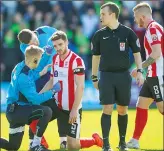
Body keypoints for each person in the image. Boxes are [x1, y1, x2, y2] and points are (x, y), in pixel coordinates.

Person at [91, 2, 144, 151]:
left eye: (103, 14)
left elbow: (137, 53)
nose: (100, 17)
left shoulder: (128, 33)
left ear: (112, 14)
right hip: (106, 76)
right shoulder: (99, 35)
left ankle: (122, 144)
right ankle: (106, 145)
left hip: (123, 76)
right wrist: (94, 77)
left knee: (122, 110)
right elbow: (95, 57)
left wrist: (140, 71)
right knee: (107, 108)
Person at [41, 30, 103, 151]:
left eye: (60, 44)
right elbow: (51, 81)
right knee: (34, 114)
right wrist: (37, 96)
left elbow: (80, 86)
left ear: (66, 42)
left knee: (72, 146)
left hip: (72, 109)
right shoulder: (54, 59)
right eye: (55, 46)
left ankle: (95, 140)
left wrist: (74, 110)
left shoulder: (77, 60)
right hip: (57, 106)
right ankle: (38, 144)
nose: (57, 48)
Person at [0, 45, 61, 151]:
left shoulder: (21, 66)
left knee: (13, 147)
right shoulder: (24, 78)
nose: (39, 63)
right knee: (46, 111)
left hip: (13, 111)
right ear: (34, 60)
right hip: (18, 111)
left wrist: (46, 56)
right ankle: (35, 145)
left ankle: (35, 145)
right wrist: (53, 91)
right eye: (39, 60)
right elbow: (35, 100)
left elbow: (33, 73)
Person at [18, 27, 67, 149]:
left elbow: (61, 39)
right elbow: (35, 65)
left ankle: (63, 141)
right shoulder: (24, 47)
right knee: (38, 109)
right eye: (31, 44)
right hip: (40, 77)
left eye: (34, 40)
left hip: (57, 71)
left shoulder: (46, 31)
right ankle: (32, 142)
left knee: (62, 106)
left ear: (34, 33)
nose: (35, 44)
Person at [127, 2, 164, 149]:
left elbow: (155, 54)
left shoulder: (153, 29)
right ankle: (135, 140)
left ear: (143, 16)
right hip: (152, 75)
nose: (135, 21)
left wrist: (139, 68)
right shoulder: (152, 28)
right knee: (141, 104)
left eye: (136, 17)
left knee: (162, 109)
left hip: (158, 75)